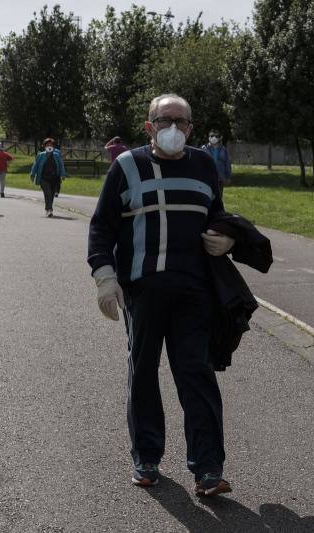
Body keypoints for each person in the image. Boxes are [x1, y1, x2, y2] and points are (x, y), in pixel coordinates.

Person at [87, 93, 236, 497]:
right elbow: (101, 226)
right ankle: (146, 458)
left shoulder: (205, 164)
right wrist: (104, 276)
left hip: (195, 291)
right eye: (164, 119)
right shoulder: (126, 166)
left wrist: (225, 237)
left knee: (196, 375)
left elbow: (216, 213)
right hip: (142, 290)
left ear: (191, 128)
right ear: (148, 125)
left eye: (181, 121)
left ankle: (208, 468)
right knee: (143, 372)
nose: (173, 128)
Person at [30, 138, 67, 217]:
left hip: (54, 178)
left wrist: (62, 174)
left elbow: (61, 165)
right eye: (47, 145)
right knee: (47, 193)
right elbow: (35, 165)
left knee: (52, 194)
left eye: (51, 145)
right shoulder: (40, 155)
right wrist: (32, 174)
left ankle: (48, 209)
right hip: (44, 178)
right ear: (44, 146)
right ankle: (49, 209)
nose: (49, 146)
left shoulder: (56, 155)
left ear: (53, 147)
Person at [200, 129, 231, 198]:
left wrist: (228, 177)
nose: (214, 138)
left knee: (219, 197)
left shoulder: (224, 150)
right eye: (211, 136)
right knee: (207, 196)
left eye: (216, 136)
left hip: (219, 178)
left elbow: (227, 164)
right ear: (208, 137)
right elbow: (199, 163)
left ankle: (218, 209)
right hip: (207, 178)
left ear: (220, 138)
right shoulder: (203, 148)